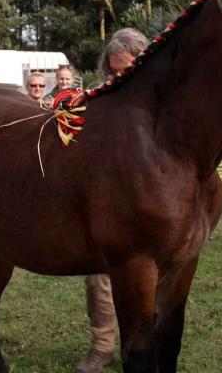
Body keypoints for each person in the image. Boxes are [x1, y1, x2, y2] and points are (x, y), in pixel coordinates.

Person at [74, 27, 148, 373]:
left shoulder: (158, 101)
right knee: (99, 279)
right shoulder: (99, 101)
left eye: (127, 70)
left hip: (150, 210)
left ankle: (142, 347)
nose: (120, 77)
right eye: (114, 71)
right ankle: (102, 347)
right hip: (111, 209)